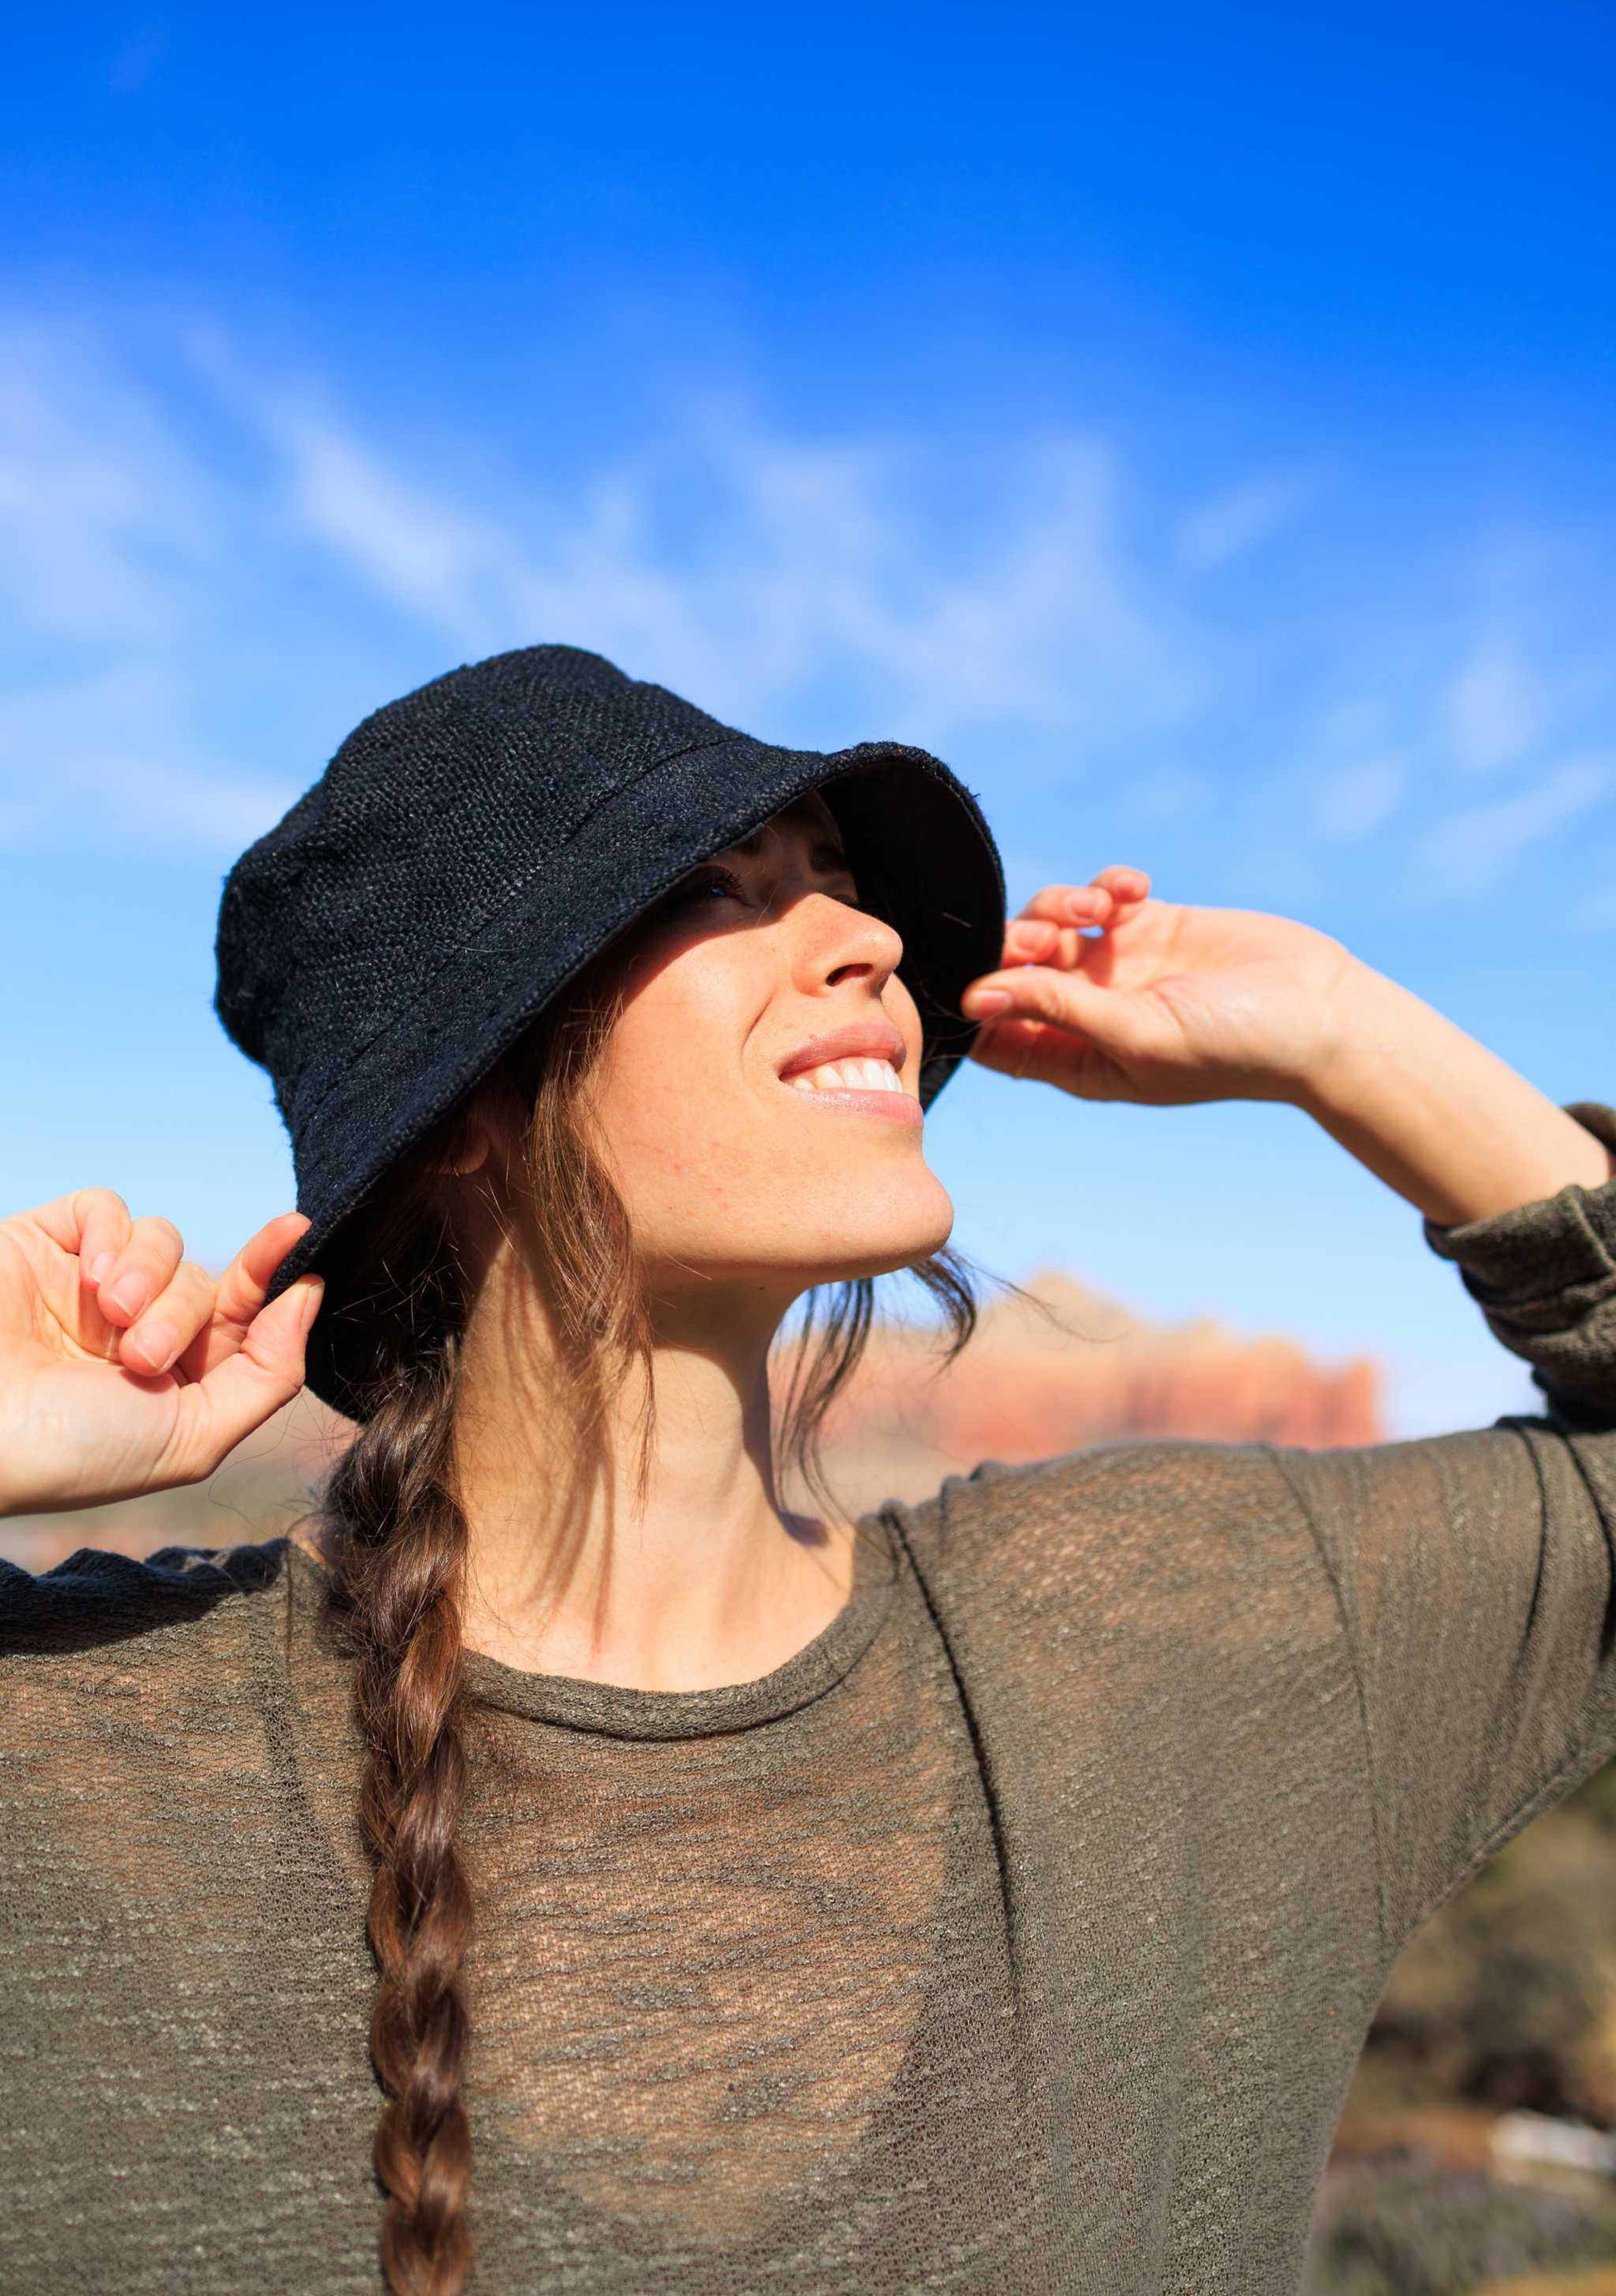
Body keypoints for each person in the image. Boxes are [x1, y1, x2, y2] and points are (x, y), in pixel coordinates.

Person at [1, 643, 1612, 2296]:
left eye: (841, 884)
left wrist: (1343, 1028)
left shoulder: (1172, 1646)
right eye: (716, 886)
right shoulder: (74, 1748)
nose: (869, 940)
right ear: (461, 1101)